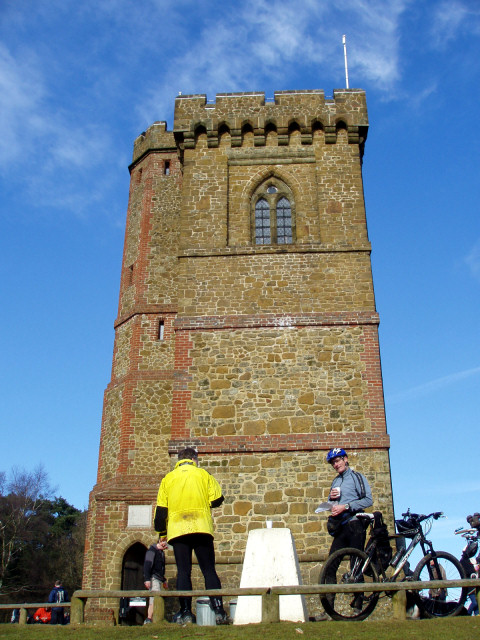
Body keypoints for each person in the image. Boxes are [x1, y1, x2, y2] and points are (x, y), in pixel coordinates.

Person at [154, 447, 229, 625]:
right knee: (208, 570)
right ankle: (218, 610)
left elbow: (160, 513)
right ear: (195, 459)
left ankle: (186, 612)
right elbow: (217, 499)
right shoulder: (203, 474)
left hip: (178, 531)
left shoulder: (168, 479)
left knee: (183, 572)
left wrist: (162, 535)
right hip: (201, 527)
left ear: (179, 460)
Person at [323, 447, 373, 612]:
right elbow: (333, 504)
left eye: (337, 461)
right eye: (333, 463)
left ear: (345, 459)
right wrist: (332, 501)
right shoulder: (335, 482)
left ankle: (358, 605)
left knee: (356, 564)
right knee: (330, 565)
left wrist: (347, 506)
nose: (336, 465)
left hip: (355, 524)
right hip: (341, 527)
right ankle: (328, 607)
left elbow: (368, 500)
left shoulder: (358, 478)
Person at [143, 538, 168, 624]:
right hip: (153, 578)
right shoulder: (152, 551)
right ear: (160, 541)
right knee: (154, 598)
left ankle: (153, 619)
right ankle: (149, 619)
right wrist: (147, 579)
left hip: (159, 578)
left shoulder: (161, 553)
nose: (166, 545)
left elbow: (160, 569)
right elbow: (147, 564)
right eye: (165, 542)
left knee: (157, 598)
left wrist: (164, 580)